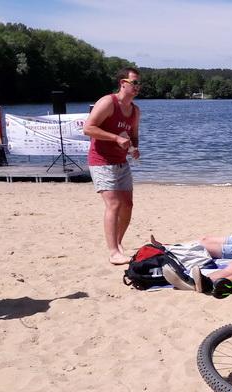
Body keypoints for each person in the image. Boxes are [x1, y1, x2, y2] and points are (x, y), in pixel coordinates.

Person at [83, 67, 142, 265]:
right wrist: (115, 138)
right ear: (122, 83)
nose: (137, 87)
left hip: (121, 161)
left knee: (128, 205)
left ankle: (118, 243)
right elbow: (88, 128)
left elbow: (134, 135)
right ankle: (113, 252)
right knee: (114, 204)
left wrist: (134, 148)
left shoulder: (135, 110)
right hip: (101, 161)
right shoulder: (108, 102)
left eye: (139, 84)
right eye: (134, 83)